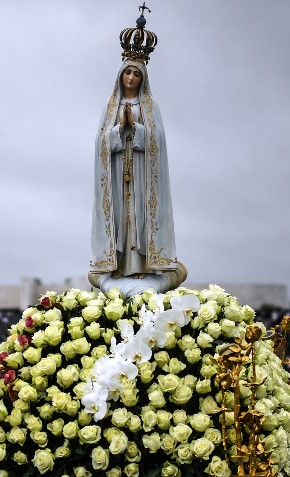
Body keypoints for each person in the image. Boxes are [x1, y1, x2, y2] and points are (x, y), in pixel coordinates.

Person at [89, 30, 179, 295]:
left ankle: (141, 263)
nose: (131, 78)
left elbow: (158, 139)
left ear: (143, 78)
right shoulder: (110, 106)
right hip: (117, 169)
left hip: (141, 170)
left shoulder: (150, 106)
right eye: (128, 72)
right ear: (120, 75)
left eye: (136, 74)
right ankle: (116, 263)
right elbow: (100, 140)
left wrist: (137, 128)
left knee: (139, 211)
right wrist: (118, 130)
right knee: (118, 212)